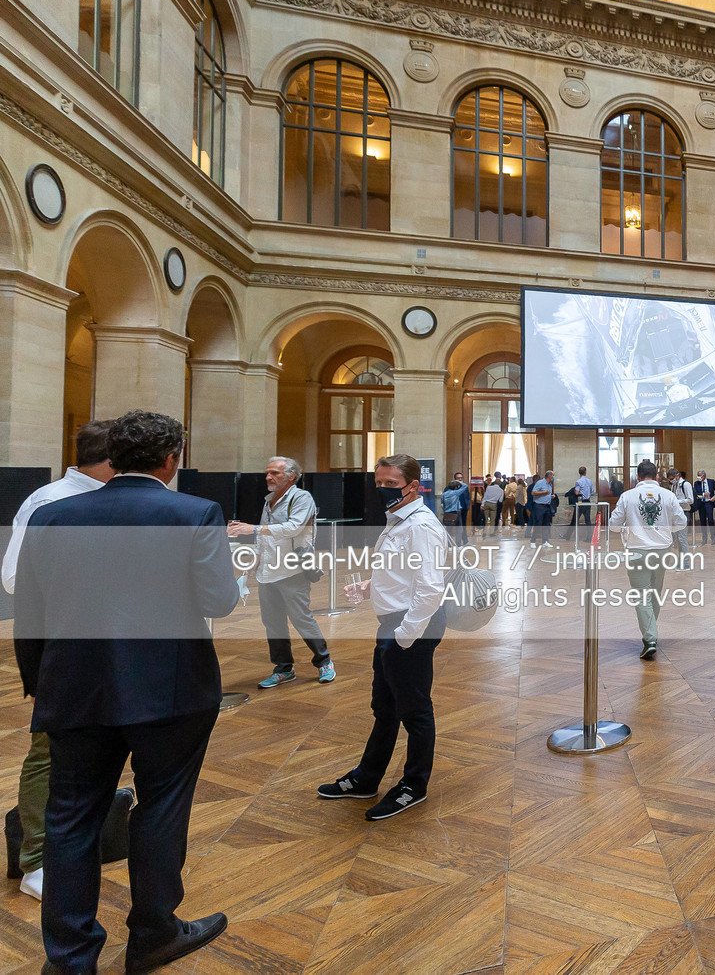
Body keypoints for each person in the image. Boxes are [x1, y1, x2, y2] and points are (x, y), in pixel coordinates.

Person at [14, 410, 238, 974]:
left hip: (74, 690)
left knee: (70, 819)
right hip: (171, 691)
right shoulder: (195, 513)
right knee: (162, 809)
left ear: (112, 458)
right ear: (172, 459)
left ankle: (69, 959)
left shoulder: (52, 516)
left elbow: (29, 609)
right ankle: (154, 934)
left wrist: (39, 682)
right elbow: (219, 601)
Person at [2, 421, 114, 905]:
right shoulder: (49, 502)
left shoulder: (107, 500)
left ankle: (75, 844)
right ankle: (35, 861)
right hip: (65, 651)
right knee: (47, 751)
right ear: (111, 460)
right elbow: (14, 578)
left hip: (106, 647)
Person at [318, 454, 449, 821]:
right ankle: (367, 777)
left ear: (413, 486)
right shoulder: (397, 520)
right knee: (385, 707)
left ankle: (413, 785)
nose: (383, 490)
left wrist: (404, 637)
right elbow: (401, 574)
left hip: (412, 626)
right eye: (379, 483)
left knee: (415, 710)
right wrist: (368, 588)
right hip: (394, 624)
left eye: (391, 484)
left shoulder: (421, 526)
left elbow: (430, 589)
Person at [229, 456, 334, 690]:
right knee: (273, 623)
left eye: (274, 473)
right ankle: (284, 669)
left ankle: (324, 661)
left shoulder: (302, 498)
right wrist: (255, 559)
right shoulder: (269, 501)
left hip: (292, 570)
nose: (268, 477)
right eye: (267, 473)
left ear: (291, 476)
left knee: (301, 619)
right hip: (267, 573)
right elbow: (263, 538)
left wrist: (253, 528)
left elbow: (293, 528)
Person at [612, 459, 688, 660]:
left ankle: (650, 638)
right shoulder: (668, 495)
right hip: (662, 550)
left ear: (637, 476)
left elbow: (613, 525)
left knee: (642, 595)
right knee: (655, 592)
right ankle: (651, 632)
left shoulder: (627, 496)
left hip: (637, 550)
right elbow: (682, 521)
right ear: (656, 477)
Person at [693, 470, 715, 545]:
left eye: (700, 476)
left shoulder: (711, 481)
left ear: (704, 476)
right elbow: (695, 493)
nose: (698, 477)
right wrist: (704, 494)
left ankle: (713, 538)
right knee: (703, 521)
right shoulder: (696, 483)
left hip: (709, 503)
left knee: (710, 520)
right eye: (698, 476)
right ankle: (704, 538)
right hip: (701, 504)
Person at [440, 472, 470, 542]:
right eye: (458, 478)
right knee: (459, 528)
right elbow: (465, 485)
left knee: (451, 528)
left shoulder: (444, 494)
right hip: (456, 511)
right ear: (455, 479)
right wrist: (459, 483)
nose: (460, 479)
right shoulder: (455, 492)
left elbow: (442, 504)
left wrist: (445, 510)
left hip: (458, 510)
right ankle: (458, 544)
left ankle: (451, 544)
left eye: (461, 478)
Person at [670, 469, 694, 552]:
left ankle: (685, 560)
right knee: (677, 538)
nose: (671, 480)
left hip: (684, 512)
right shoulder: (673, 486)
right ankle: (681, 558)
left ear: (677, 476)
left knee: (682, 538)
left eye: (672, 478)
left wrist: (678, 501)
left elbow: (691, 500)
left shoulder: (686, 484)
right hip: (676, 513)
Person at [530, 470, 557, 542]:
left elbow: (547, 494)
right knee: (538, 524)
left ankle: (545, 541)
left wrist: (551, 497)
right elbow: (533, 493)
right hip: (539, 506)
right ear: (549, 476)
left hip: (547, 506)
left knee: (546, 524)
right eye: (553, 475)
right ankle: (533, 541)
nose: (554, 477)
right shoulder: (540, 482)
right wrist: (543, 492)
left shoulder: (550, 484)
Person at [569, 466, 595, 539]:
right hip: (588, 502)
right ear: (585, 472)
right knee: (588, 520)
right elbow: (592, 492)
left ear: (579, 473)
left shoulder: (578, 482)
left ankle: (568, 536)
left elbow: (576, 493)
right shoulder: (590, 481)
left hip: (580, 502)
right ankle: (589, 537)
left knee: (575, 520)